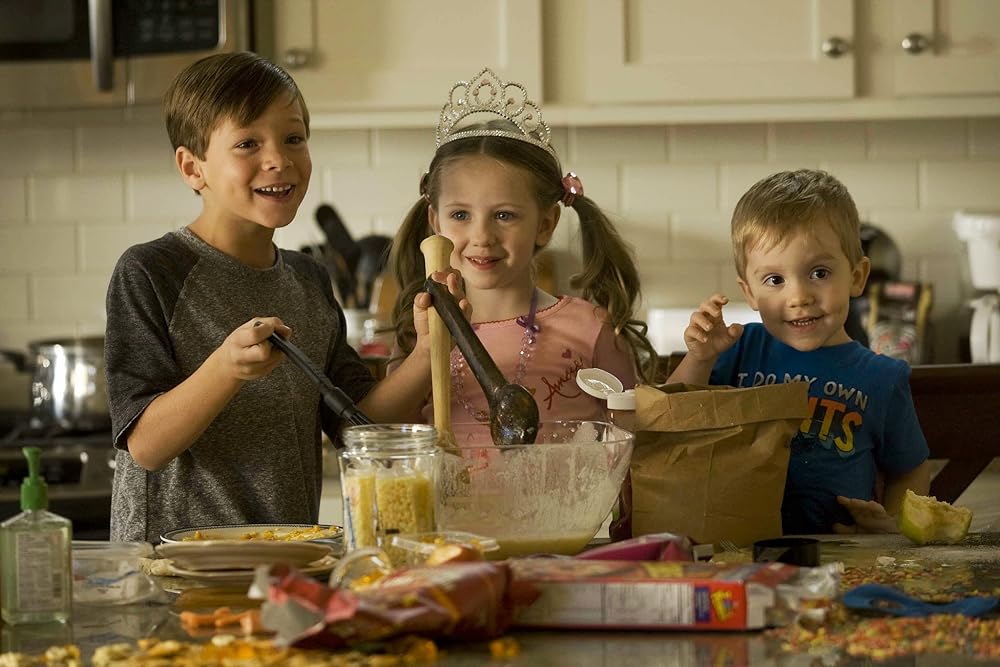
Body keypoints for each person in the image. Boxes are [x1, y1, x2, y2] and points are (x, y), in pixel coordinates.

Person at [104, 52, 464, 543]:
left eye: (294, 138)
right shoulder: (151, 271)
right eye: (248, 142)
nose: (279, 158)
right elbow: (145, 446)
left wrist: (426, 352)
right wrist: (225, 368)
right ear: (193, 168)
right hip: (172, 569)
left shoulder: (308, 278)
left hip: (287, 559)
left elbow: (359, 425)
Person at [388, 68, 657, 443]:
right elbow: (375, 429)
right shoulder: (422, 332)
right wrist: (424, 353)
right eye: (460, 215)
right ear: (436, 221)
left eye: (504, 215)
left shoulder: (592, 329)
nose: (482, 236)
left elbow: (640, 443)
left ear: (546, 223)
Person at [668, 169, 930, 534]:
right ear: (750, 293)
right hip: (739, 553)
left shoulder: (882, 378)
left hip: (842, 558)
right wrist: (700, 358)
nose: (799, 297)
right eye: (775, 280)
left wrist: (893, 526)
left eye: (819, 273)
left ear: (856, 276)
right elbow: (671, 425)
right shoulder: (738, 349)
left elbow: (911, 469)